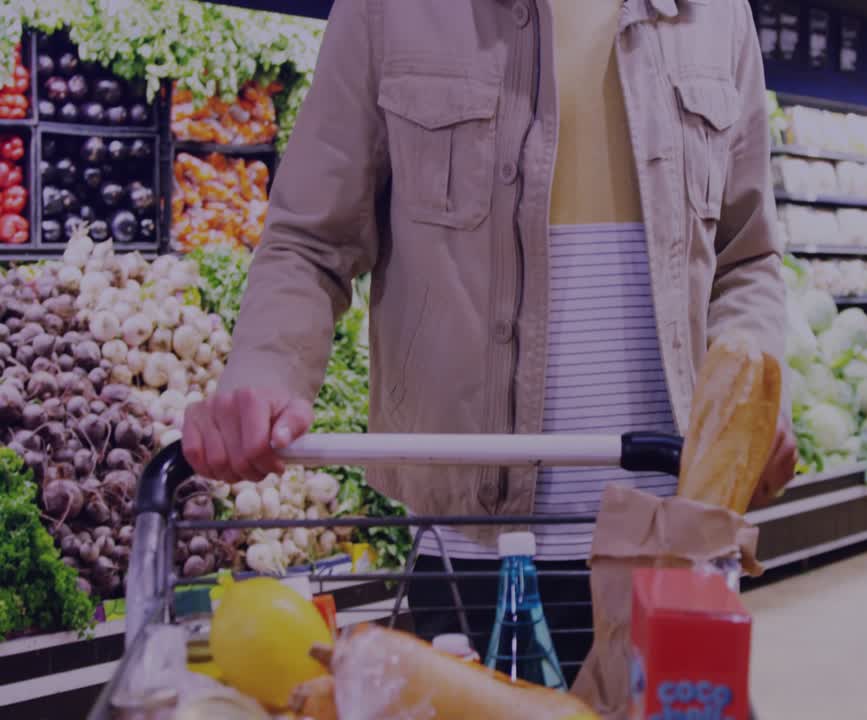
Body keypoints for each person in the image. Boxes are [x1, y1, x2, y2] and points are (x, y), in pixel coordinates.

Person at [180, 0, 795, 685]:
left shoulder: (717, 15)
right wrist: (267, 369)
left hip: (674, 551)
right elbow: (311, 238)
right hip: (470, 552)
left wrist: (758, 381)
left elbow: (747, 259)